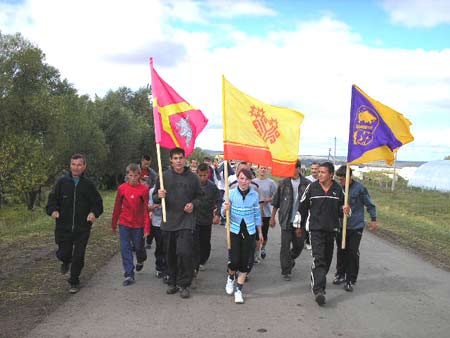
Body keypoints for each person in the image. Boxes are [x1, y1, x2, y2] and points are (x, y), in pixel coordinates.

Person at [46, 154, 103, 294]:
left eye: (79, 165)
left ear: (84, 167)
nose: (75, 167)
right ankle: (66, 260)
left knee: (79, 255)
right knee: (63, 253)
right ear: (70, 165)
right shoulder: (62, 183)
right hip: (63, 227)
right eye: (73, 164)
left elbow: (97, 204)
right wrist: (53, 210)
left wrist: (93, 213)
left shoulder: (88, 185)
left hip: (82, 228)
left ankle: (74, 281)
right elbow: (52, 200)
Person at [153, 147, 204, 299]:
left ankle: (185, 284)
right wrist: (159, 195)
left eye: (180, 158)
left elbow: (200, 197)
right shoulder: (164, 177)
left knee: (184, 252)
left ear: (185, 159)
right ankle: (172, 281)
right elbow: (155, 197)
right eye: (175, 158)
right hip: (168, 220)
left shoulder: (193, 178)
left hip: (186, 221)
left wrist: (193, 204)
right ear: (171, 160)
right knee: (170, 254)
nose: (178, 161)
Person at [300, 162, 350, 306]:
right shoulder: (312, 187)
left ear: (331, 174)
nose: (319, 174)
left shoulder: (338, 189)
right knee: (319, 258)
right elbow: (303, 206)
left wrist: (346, 210)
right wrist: (299, 225)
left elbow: (345, 210)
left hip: (331, 230)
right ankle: (319, 291)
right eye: (318, 172)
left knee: (326, 261)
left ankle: (316, 277)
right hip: (315, 229)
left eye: (323, 172)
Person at [333, 165, 377, 292]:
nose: (340, 181)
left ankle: (350, 279)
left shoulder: (360, 189)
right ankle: (340, 275)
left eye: (342, 179)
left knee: (352, 252)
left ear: (349, 177)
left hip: (355, 226)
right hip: (341, 225)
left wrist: (373, 219)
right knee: (341, 251)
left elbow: (369, 204)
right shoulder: (338, 189)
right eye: (339, 179)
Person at [222, 169, 262, 304]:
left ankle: (238, 290)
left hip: (249, 231)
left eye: (247, 179)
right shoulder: (230, 194)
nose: (244, 182)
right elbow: (223, 214)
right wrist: (225, 209)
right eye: (241, 178)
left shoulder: (254, 195)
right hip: (234, 229)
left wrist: (260, 232)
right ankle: (230, 277)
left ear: (250, 180)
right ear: (237, 179)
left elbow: (257, 215)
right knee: (234, 260)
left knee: (245, 262)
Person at [270, 160, 310, 281]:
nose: (290, 171)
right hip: (286, 220)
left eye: (292, 168)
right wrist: (272, 218)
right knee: (285, 246)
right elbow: (276, 201)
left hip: (300, 223)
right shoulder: (283, 183)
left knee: (299, 245)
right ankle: (286, 270)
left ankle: (291, 258)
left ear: (298, 169)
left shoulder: (307, 184)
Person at [111, 164, 150, 286]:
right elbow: (117, 206)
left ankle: (141, 258)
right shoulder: (122, 188)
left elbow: (145, 209)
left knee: (138, 246)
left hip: (138, 224)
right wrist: (114, 223)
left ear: (139, 175)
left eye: (136, 175)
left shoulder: (144, 190)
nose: (133, 178)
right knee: (125, 248)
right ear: (127, 175)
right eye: (130, 175)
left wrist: (147, 226)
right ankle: (129, 274)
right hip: (124, 223)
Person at [194, 163, 221, 272]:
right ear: (197, 174)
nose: (202, 178)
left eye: (204, 175)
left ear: (208, 174)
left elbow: (219, 200)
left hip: (206, 219)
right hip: (194, 219)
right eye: (200, 175)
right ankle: (195, 262)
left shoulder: (212, 187)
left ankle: (202, 260)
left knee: (205, 242)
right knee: (194, 241)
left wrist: (218, 214)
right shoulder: (193, 185)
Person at [253, 165, 277, 261]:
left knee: (264, 234)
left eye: (265, 168)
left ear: (267, 170)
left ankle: (263, 248)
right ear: (257, 169)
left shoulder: (271, 183)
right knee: (255, 235)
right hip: (254, 212)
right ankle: (256, 254)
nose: (263, 170)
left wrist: (265, 200)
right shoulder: (253, 182)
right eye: (261, 168)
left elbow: (276, 197)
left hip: (266, 213)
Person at [148, 186, 167, 280]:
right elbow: (149, 207)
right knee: (160, 245)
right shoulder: (152, 191)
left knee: (168, 246)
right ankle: (159, 267)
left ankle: (168, 268)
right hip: (157, 222)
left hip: (170, 222)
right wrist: (156, 206)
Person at [304, 162, 319, 250]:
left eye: (316, 169)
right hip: (308, 205)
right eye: (312, 169)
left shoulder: (321, 180)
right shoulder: (306, 180)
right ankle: (307, 241)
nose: (314, 171)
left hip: (317, 206)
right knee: (307, 223)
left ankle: (312, 241)